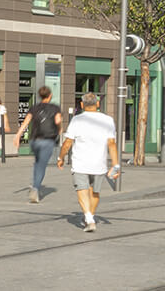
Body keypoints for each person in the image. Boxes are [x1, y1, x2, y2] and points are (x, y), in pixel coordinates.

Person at [56, 93, 122, 231]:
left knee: (82, 190)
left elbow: (67, 142)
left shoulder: (77, 120)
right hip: (99, 164)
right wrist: (116, 165)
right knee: (95, 192)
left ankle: (89, 218)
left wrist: (60, 157)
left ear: (81, 105)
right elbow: (112, 143)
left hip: (80, 163)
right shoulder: (108, 120)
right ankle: (90, 217)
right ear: (98, 104)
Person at [11, 86, 64, 203]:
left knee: (37, 162)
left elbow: (26, 122)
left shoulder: (34, 108)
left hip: (35, 140)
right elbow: (58, 121)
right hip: (47, 140)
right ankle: (35, 188)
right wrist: (60, 130)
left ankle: (35, 183)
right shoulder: (55, 108)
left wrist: (18, 135)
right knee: (41, 165)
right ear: (50, 96)